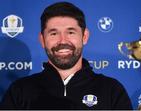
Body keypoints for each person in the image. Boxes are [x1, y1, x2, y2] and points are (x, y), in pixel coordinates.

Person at [0, 2, 133, 110]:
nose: (63, 41)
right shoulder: (19, 91)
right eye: (53, 33)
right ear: (42, 40)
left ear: (85, 36)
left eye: (70, 32)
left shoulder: (111, 90)